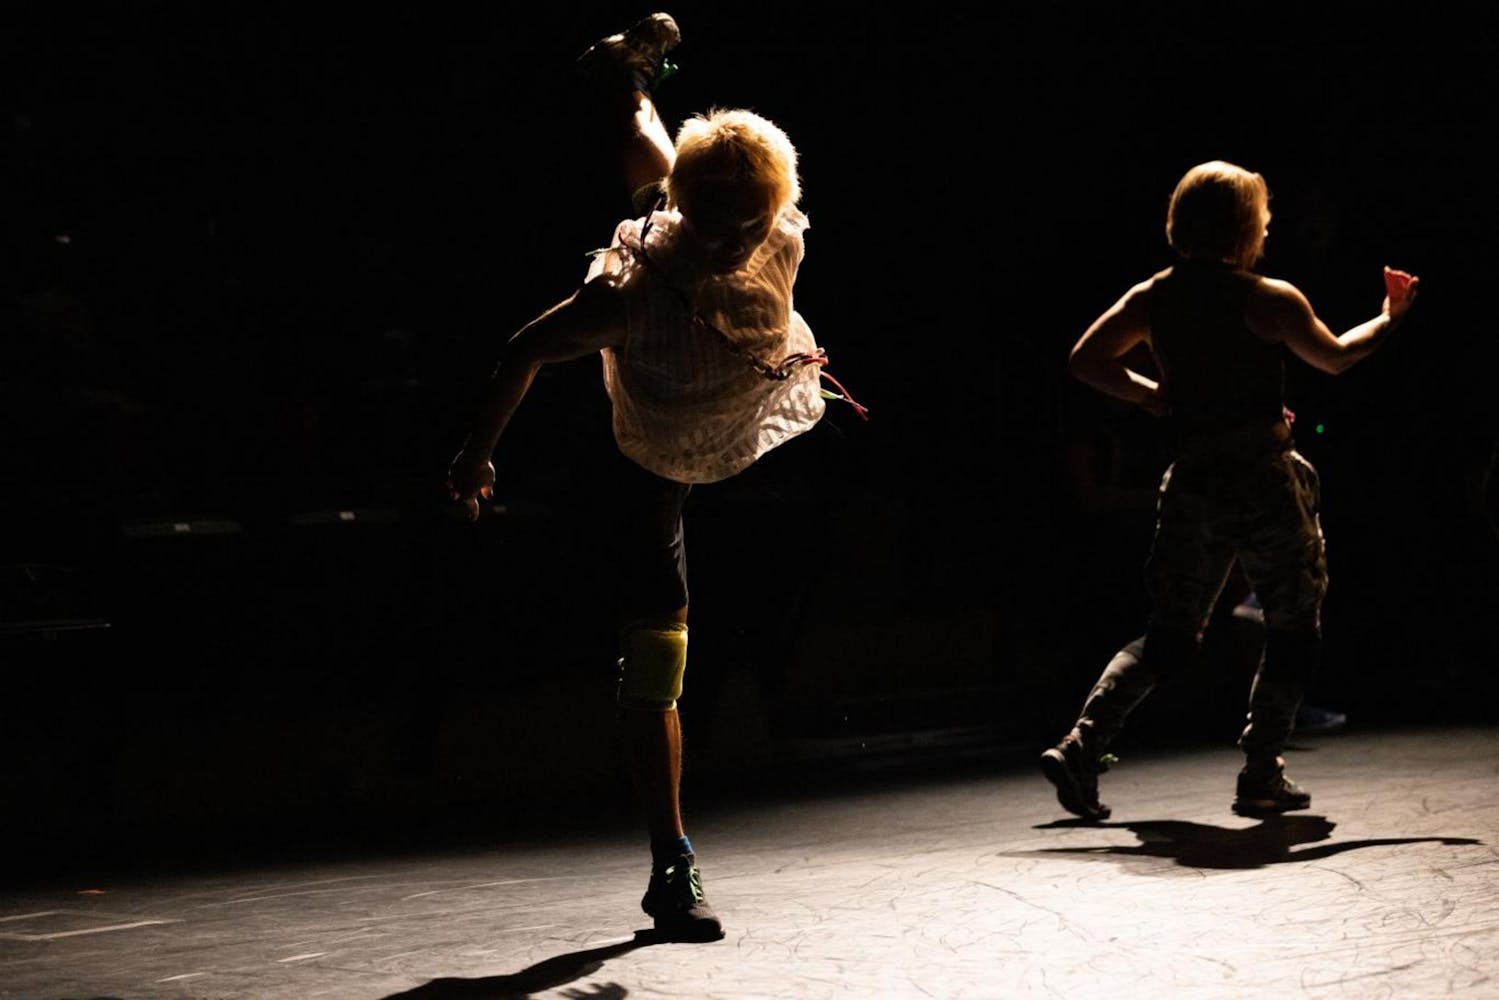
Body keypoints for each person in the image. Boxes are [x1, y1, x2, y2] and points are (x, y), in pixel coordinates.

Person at [446, 13, 861, 941]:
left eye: (741, 227)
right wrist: (476, 453)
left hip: (736, 420)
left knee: (652, 161)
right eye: (708, 226)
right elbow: (521, 352)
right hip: (652, 457)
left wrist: (726, 218)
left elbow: (700, 192)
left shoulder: (777, 231)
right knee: (659, 654)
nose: (726, 245)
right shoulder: (624, 295)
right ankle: (671, 863)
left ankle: (626, 78)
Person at [1040, 160, 1418, 821]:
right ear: (1247, 225)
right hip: (1262, 480)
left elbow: (1085, 360)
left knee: (1170, 634)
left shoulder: (1151, 296)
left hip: (1193, 479)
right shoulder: (1266, 297)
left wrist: (1155, 397)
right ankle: (1261, 768)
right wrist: (1389, 316)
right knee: (1293, 623)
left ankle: (1084, 739)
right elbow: (1333, 357)